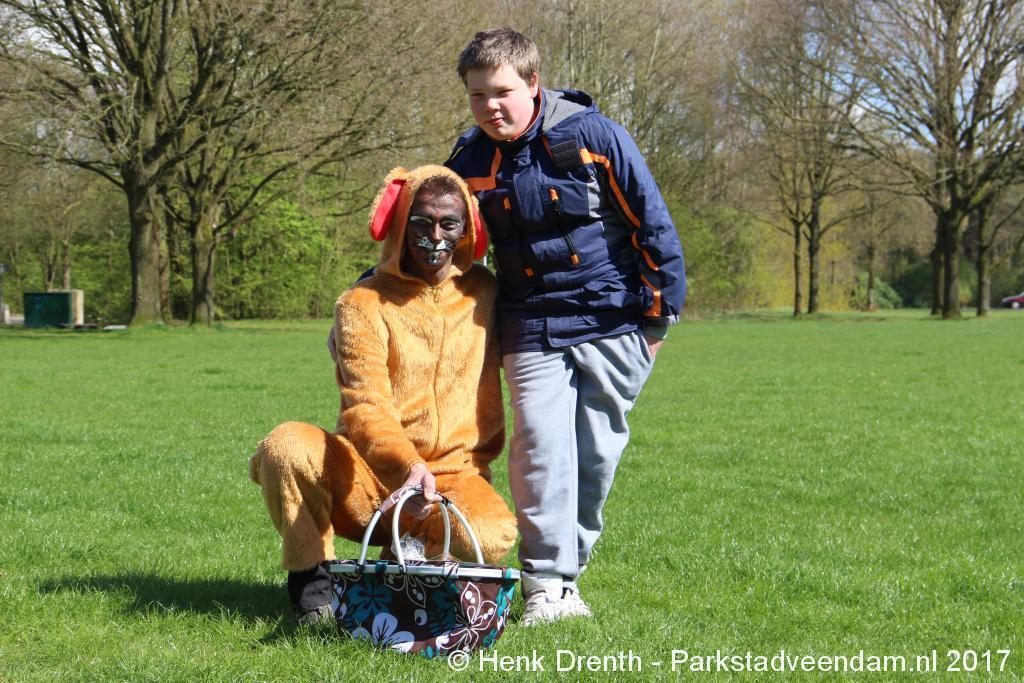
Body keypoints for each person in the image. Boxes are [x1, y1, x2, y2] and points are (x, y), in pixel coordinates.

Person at [445, 28, 687, 625]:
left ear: (533, 83)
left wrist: (656, 322)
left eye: (501, 92)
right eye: (477, 95)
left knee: (595, 458)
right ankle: (545, 585)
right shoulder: (469, 160)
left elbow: (652, 226)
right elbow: (433, 234)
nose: (489, 107)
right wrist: (378, 285)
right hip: (529, 321)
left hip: (613, 320)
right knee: (539, 448)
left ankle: (566, 578)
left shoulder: (593, 137)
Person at [249, 165, 517, 624]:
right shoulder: (361, 303)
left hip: (453, 478)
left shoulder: (487, 294)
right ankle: (313, 586)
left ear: (467, 229)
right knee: (286, 446)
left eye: (448, 224)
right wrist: (407, 467)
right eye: (421, 222)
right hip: (367, 477)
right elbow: (366, 406)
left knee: (492, 534)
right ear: (399, 223)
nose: (435, 236)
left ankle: (407, 565)